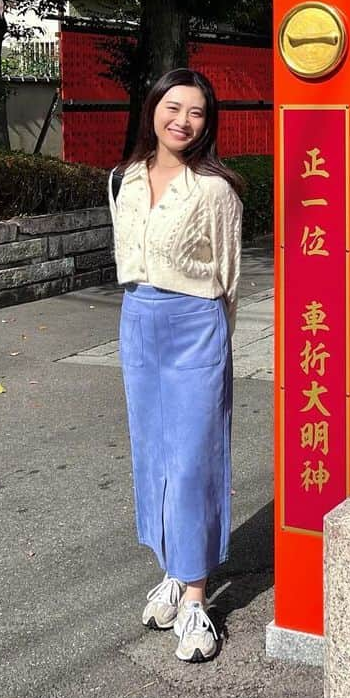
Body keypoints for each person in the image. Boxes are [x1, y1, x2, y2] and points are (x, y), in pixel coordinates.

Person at [108, 68, 243, 663]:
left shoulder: (215, 190)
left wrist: (214, 342)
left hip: (195, 325)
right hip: (138, 319)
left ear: (207, 124)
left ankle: (195, 598)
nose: (183, 121)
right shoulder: (125, 179)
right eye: (174, 107)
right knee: (153, 456)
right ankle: (170, 569)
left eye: (196, 113)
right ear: (153, 109)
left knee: (193, 461)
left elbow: (230, 278)